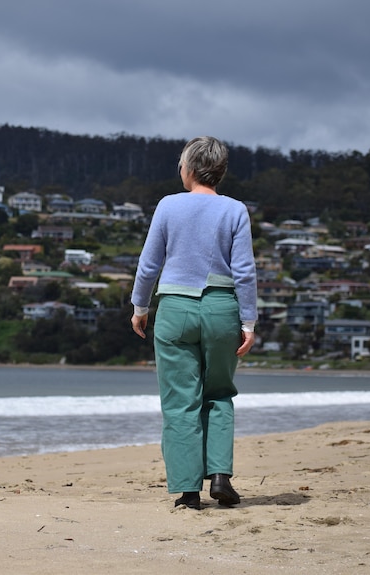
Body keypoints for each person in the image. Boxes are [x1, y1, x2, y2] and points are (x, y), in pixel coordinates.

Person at [130, 136, 257, 510]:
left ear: (188, 169)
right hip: (221, 307)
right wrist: (248, 321)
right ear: (219, 171)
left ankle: (188, 492)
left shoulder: (168, 206)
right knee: (218, 393)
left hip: (174, 309)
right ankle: (220, 477)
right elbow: (245, 272)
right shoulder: (235, 210)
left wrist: (140, 306)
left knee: (180, 401)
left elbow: (149, 263)